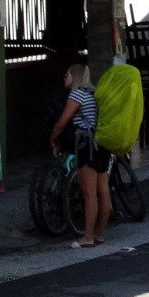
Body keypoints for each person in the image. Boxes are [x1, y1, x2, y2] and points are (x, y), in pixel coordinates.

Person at [49, 63, 111, 249]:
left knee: (89, 195)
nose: (64, 77)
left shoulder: (77, 95)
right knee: (104, 191)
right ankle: (99, 234)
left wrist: (53, 139)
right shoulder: (94, 94)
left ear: (74, 76)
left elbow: (62, 121)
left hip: (86, 146)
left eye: (67, 74)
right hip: (101, 144)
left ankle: (87, 237)